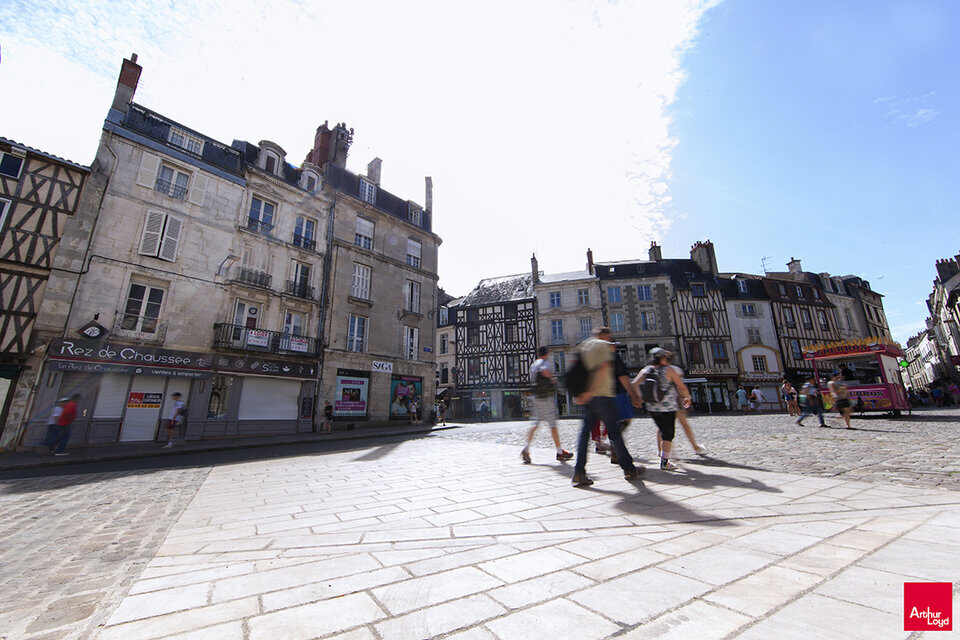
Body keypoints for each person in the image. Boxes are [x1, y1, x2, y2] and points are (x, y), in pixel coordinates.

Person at [571, 327, 642, 486]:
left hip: (588, 399)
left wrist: (580, 393)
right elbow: (618, 376)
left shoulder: (584, 346)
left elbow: (575, 371)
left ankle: (579, 472)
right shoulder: (605, 347)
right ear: (604, 336)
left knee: (584, 435)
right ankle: (629, 469)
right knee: (614, 432)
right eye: (609, 337)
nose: (611, 341)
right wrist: (634, 396)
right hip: (602, 396)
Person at [634, 348, 692, 471]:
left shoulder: (646, 370)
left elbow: (634, 383)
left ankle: (663, 455)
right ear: (663, 358)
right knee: (668, 434)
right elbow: (681, 386)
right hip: (668, 407)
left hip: (652, 407)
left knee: (662, 429)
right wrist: (687, 396)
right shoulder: (668, 370)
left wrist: (638, 398)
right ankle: (665, 462)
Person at [521, 346, 573, 463]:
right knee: (553, 425)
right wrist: (552, 379)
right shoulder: (544, 362)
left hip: (536, 397)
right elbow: (545, 371)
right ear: (546, 354)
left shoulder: (534, 364)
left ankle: (526, 449)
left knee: (535, 424)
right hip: (546, 398)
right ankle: (560, 452)